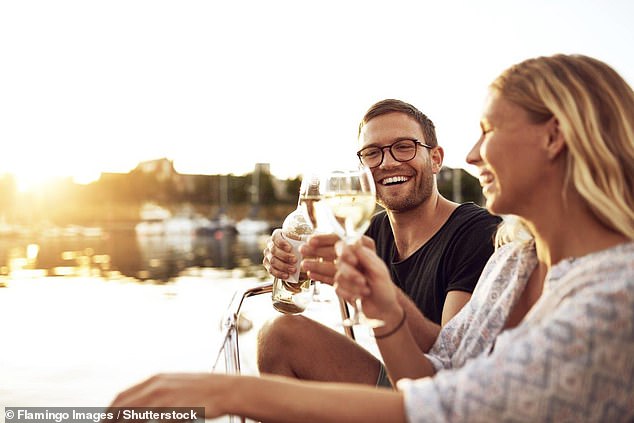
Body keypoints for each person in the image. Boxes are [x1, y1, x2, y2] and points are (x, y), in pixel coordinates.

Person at [108, 54, 634, 422]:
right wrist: (384, 306)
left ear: (555, 135)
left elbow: (452, 408)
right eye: (371, 153)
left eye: (488, 130)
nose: (474, 155)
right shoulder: (515, 258)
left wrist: (225, 390)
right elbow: (438, 370)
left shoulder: (614, 297)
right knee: (278, 332)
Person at [258, 99, 501, 386]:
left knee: (280, 337)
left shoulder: (478, 233)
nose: (387, 162)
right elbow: (313, 271)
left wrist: (382, 296)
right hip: (398, 382)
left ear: (435, 159)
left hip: (440, 396)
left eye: (404, 147)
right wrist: (288, 261)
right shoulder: (372, 231)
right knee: (277, 334)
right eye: (372, 153)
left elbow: (453, 360)